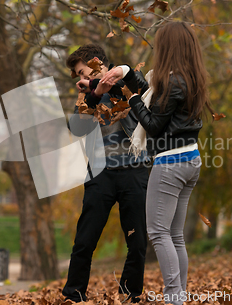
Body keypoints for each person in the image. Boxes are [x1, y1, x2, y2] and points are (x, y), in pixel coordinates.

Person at [101, 22, 215, 305]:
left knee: (158, 232)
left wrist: (134, 100)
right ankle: (180, 295)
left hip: (171, 163)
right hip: (190, 159)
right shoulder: (188, 79)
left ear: (168, 48)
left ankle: (174, 297)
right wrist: (127, 73)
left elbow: (152, 123)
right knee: (175, 235)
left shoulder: (173, 82)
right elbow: (154, 95)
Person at [63, 44, 151, 303]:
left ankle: (129, 296)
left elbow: (146, 95)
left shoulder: (127, 81)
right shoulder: (86, 95)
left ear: (97, 63)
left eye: (83, 72)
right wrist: (92, 94)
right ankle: (73, 295)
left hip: (135, 171)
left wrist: (110, 87)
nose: (82, 79)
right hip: (100, 174)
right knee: (85, 240)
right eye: (78, 75)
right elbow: (76, 128)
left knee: (137, 242)